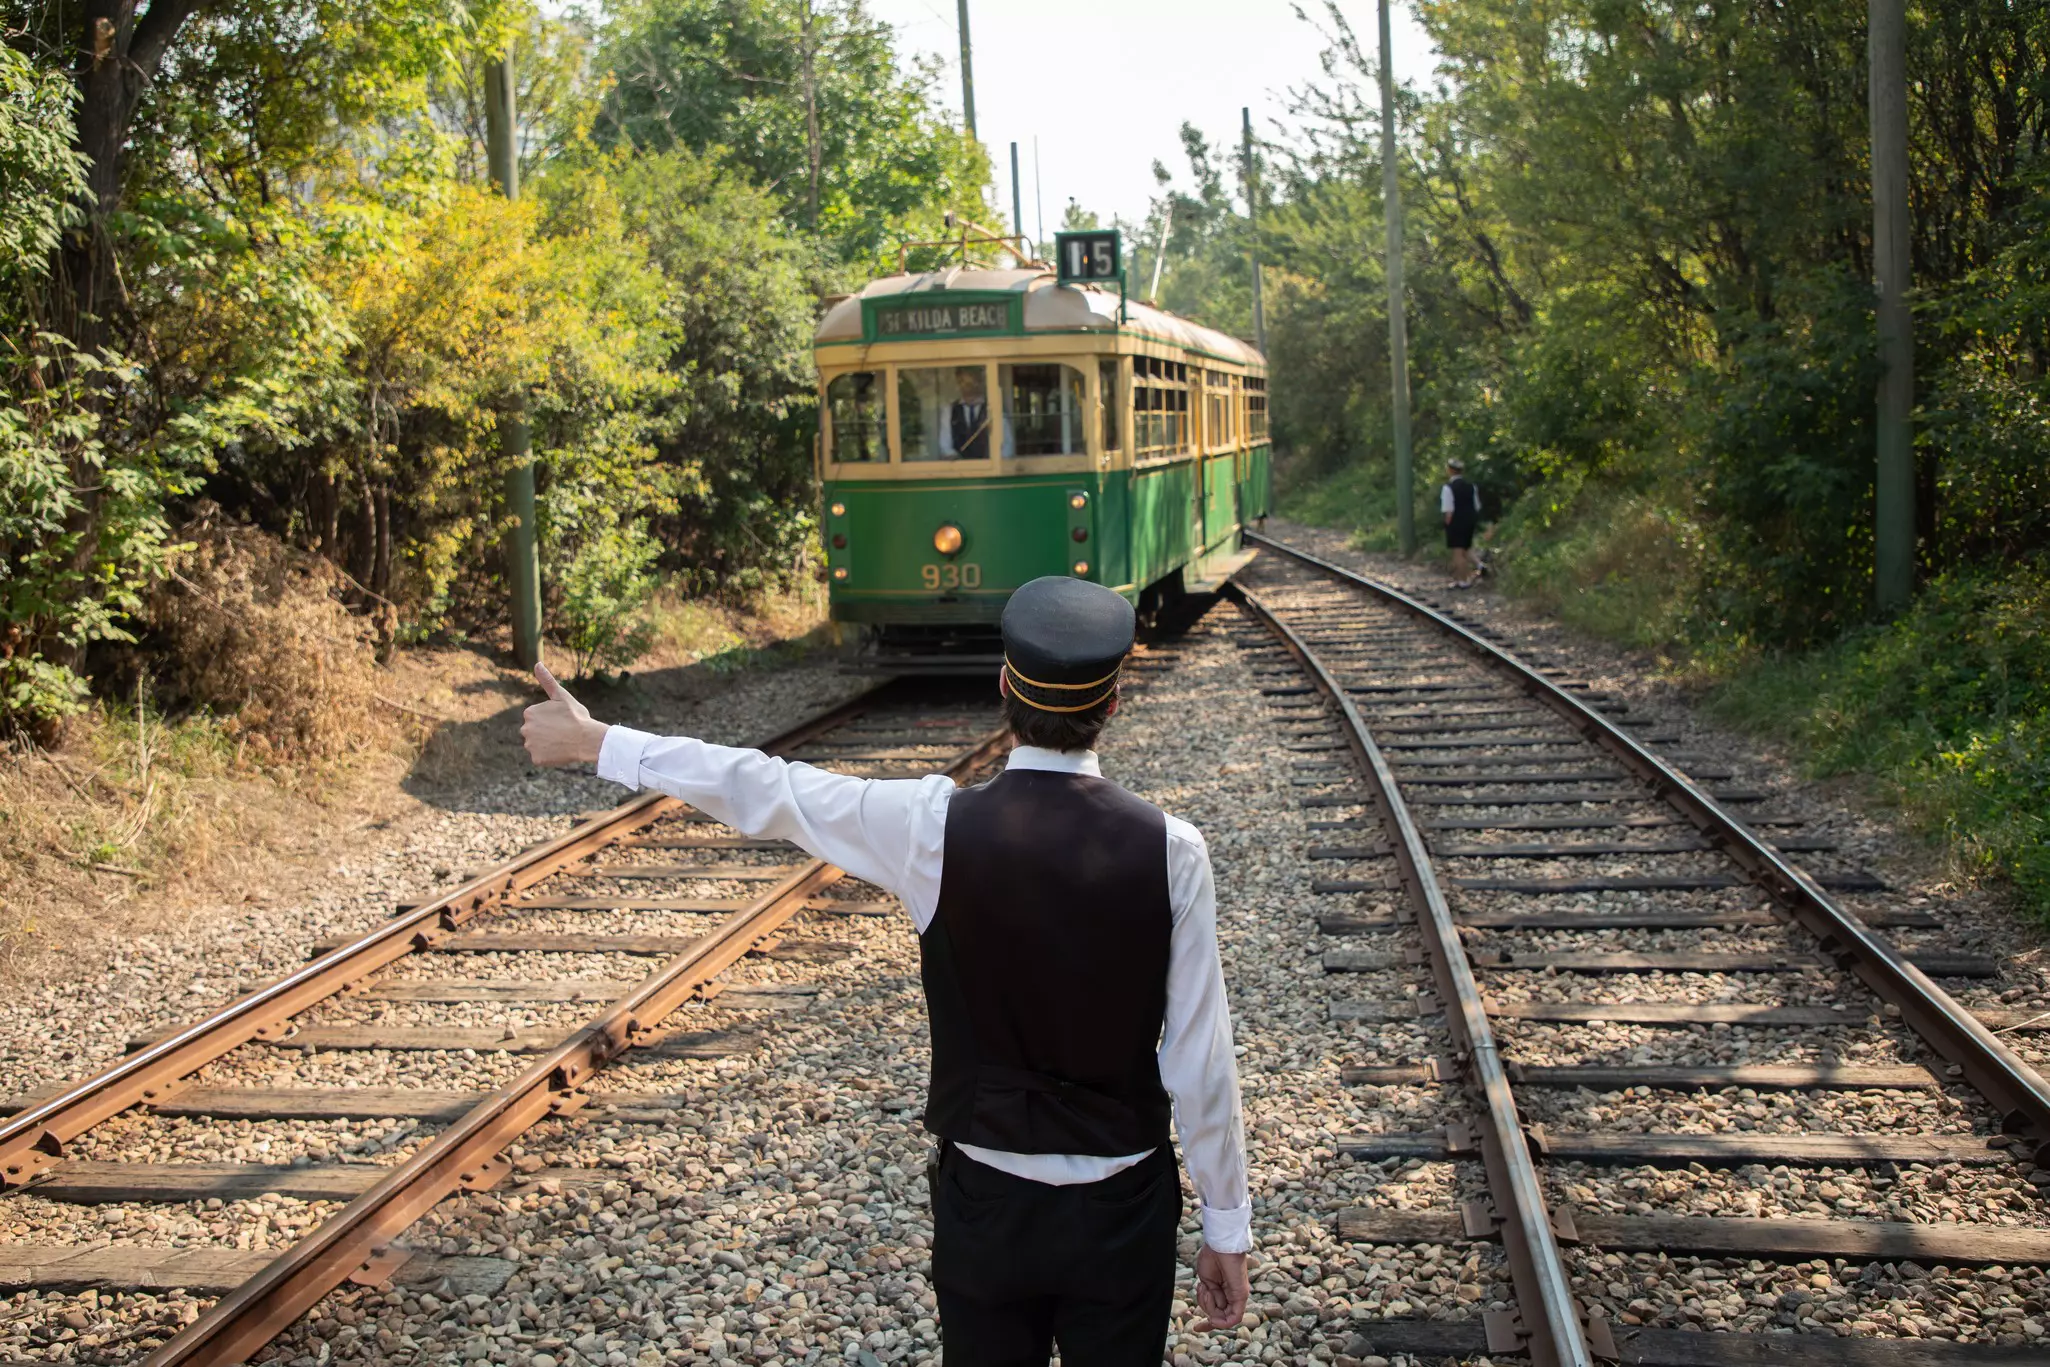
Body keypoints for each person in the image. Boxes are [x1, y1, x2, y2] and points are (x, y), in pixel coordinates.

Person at [520, 577, 1253, 1366]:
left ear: (1004, 687)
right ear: (1113, 701)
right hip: (1123, 1208)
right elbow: (1200, 1062)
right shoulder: (1174, 850)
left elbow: (769, 787)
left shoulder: (932, 827)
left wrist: (602, 742)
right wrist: (1226, 1227)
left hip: (986, 1205)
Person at [938, 365, 1006, 459]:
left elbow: (1006, 445)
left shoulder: (993, 409)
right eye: (963, 382)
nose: (968, 387)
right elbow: (945, 446)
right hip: (959, 470)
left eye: (972, 382)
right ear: (958, 383)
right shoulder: (949, 411)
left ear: (980, 382)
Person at [1440, 458, 1481, 588]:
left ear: (1450, 470)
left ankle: (1462, 581)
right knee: (1465, 550)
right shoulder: (1471, 487)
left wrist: (1447, 526)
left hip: (1455, 524)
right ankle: (1466, 577)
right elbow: (1477, 506)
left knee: (1458, 554)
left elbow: (1448, 511)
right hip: (1469, 523)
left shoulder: (1448, 488)